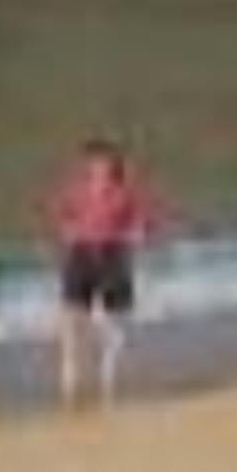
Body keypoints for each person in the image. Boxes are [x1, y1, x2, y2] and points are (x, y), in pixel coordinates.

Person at [46, 136, 166, 411]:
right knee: (71, 323)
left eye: (106, 162)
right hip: (82, 255)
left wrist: (138, 234)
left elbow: (146, 222)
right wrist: (67, 233)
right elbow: (61, 218)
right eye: (95, 162)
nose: (101, 167)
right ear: (87, 165)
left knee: (116, 325)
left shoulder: (125, 191)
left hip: (114, 255)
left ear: (114, 164)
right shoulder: (75, 189)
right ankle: (69, 387)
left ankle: (107, 385)